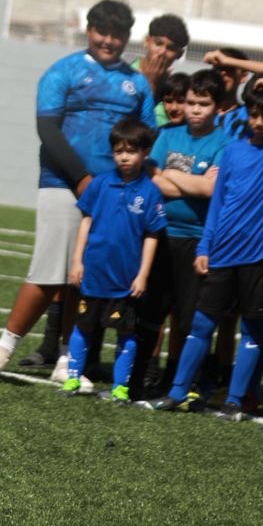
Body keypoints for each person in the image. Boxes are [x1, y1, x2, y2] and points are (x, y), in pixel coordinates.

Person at [0, 0, 152, 381]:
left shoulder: (137, 84)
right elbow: (48, 131)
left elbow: (144, 138)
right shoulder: (64, 71)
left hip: (114, 194)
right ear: (88, 30)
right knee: (47, 271)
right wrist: (82, 179)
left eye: (117, 35)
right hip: (62, 184)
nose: (108, 40)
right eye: (101, 32)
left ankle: (66, 358)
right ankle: (3, 348)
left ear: (127, 38)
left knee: (84, 278)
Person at [142, 76, 263, 416]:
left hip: (260, 255)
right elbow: (217, 203)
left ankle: (234, 401)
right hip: (221, 252)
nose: (260, 122)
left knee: (252, 329)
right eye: (254, 114)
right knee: (202, 325)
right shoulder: (232, 150)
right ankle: (177, 392)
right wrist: (205, 246)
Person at [135, 68, 226, 393]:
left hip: (196, 238)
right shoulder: (168, 135)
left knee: (186, 317)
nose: (195, 109)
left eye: (203, 103)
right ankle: (141, 375)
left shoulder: (223, 141)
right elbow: (152, 179)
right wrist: (192, 183)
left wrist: (170, 177)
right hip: (160, 233)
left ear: (217, 106)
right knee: (151, 310)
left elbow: (211, 190)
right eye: (190, 102)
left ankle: (177, 380)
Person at [62, 118, 165, 400]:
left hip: (125, 278)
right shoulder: (100, 184)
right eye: (119, 151)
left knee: (126, 332)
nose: (124, 156)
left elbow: (152, 235)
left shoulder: (150, 191)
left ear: (145, 153)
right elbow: (86, 222)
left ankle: (120, 387)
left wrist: (143, 274)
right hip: (94, 272)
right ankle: (72, 379)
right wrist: (77, 261)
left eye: (131, 151)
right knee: (83, 325)